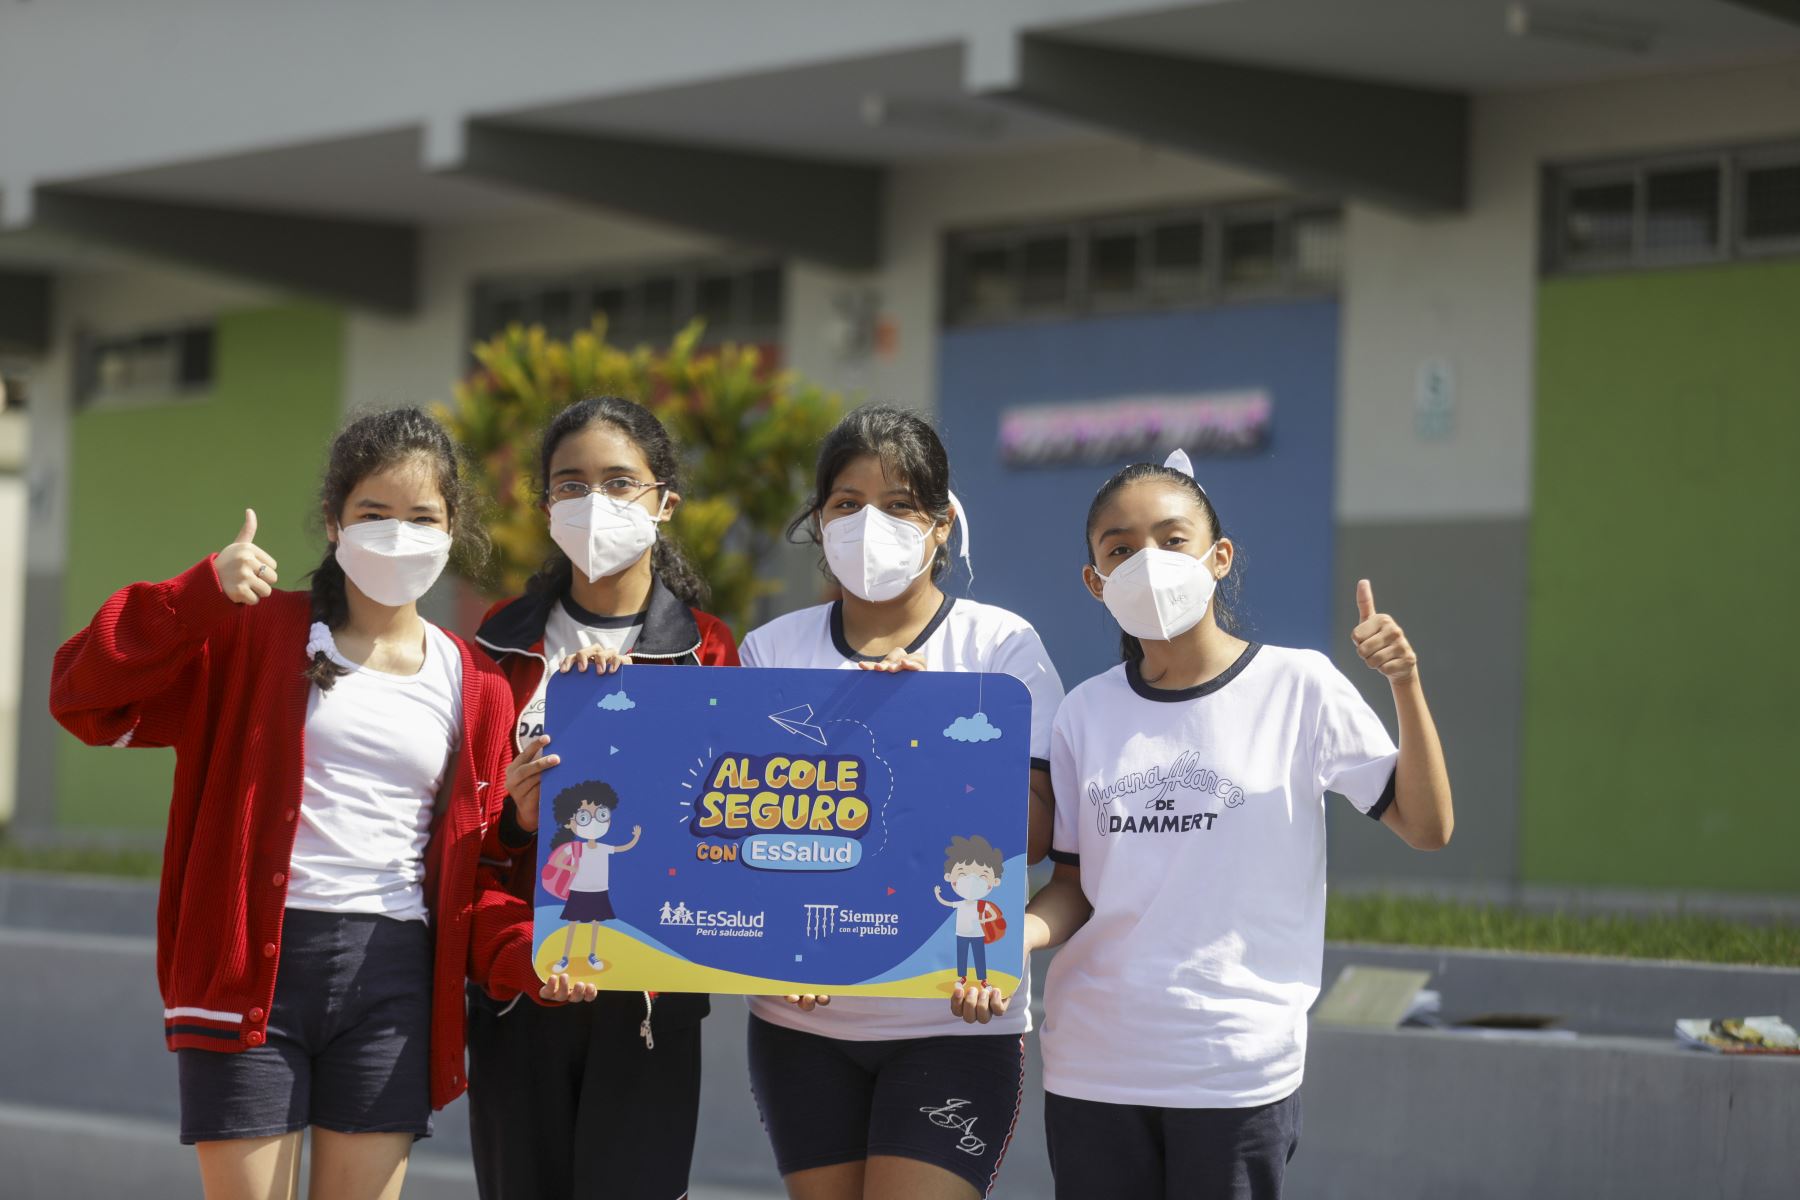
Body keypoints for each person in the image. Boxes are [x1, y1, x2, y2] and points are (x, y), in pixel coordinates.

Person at [49, 407, 592, 1200]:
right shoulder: (254, 636)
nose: (398, 535)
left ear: (451, 533)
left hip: (396, 978)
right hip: (251, 973)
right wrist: (196, 595)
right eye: (374, 513)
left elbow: (480, 870)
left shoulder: (476, 684)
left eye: (422, 517)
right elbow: (82, 697)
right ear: (335, 523)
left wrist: (536, 957)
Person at [1019, 451, 1454, 1200]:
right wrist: (1016, 934)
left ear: (1218, 557)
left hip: (1234, 1069)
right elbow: (1074, 887)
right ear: (1095, 581)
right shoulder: (1084, 713)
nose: (1146, 562)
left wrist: (1404, 684)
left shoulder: (1299, 685)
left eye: (1171, 539)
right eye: (1119, 549)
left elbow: (1426, 825)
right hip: (1093, 1065)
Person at [738, 405, 1065, 1200]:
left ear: (942, 525)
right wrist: (766, 948)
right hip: (800, 1024)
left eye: (899, 504)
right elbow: (739, 829)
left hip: (950, 1018)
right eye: (847, 504)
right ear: (818, 522)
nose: (869, 523)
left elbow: (1042, 830)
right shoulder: (771, 650)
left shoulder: (999, 649)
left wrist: (934, 745)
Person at [465, 394, 739, 1200]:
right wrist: (519, 824)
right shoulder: (495, 645)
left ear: (665, 502)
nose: (595, 504)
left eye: (620, 483)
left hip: (650, 1003)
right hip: (524, 992)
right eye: (571, 484)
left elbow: (731, 820)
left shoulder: (710, 649)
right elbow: (462, 839)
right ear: (546, 504)